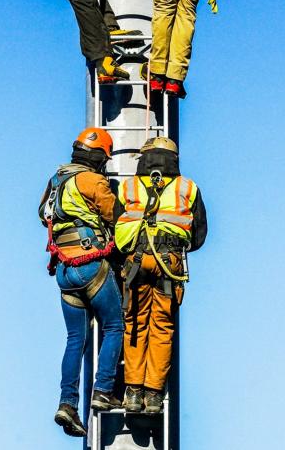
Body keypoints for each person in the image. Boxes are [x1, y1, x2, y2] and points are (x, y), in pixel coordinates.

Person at [39, 127, 124, 437]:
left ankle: (67, 403)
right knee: (114, 326)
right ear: (100, 157)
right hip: (91, 265)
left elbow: (42, 215)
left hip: (64, 271)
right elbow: (115, 215)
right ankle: (103, 391)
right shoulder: (92, 180)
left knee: (76, 339)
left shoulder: (56, 180)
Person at [113, 137, 207, 414]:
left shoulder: (129, 186)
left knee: (135, 324)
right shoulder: (187, 187)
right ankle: (153, 395)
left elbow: (118, 224)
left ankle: (132, 391)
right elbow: (199, 235)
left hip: (136, 262)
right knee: (162, 328)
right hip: (169, 263)